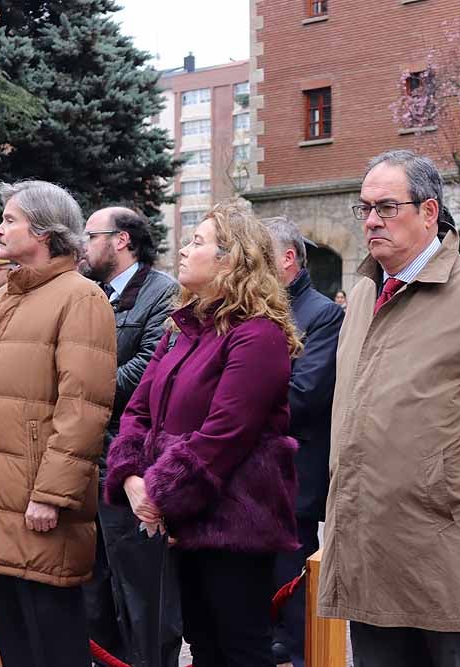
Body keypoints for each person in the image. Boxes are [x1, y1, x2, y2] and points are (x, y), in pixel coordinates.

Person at [318, 150, 460, 667]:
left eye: (387, 206)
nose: (372, 219)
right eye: (365, 208)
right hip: (369, 555)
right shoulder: (361, 296)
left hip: (449, 557)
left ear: (428, 212)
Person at [104, 202, 300, 666]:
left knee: (239, 649)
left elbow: (224, 434)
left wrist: (157, 494)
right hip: (182, 518)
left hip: (233, 525)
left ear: (231, 259)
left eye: (197, 242)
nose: (185, 251)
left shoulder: (258, 334)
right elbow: (137, 411)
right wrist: (131, 478)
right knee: (203, 644)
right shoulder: (182, 329)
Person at [0, 180, 116, 667]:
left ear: (43, 230)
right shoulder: (7, 300)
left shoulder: (80, 298)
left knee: (53, 648)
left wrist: (51, 494)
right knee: (15, 647)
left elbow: (83, 408)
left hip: (37, 507)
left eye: (10, 220)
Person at [80, 206, 180, 667]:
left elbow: (149, 368)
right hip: (86, 457)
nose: (83, 244)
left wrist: (82, 387)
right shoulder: (88, 294)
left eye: (91, 234)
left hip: (132, 463)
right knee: (94, 590)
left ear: (121, 240)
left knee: (141, 594)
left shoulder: (162, 293)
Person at [263, 216, 343, 667]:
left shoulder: (321, 314)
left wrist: (239, 409)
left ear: (288, 258)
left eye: (258, 255)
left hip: (294, 477)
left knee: (291, 592)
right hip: (250, 475)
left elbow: (305, 394)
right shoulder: (255, 307)